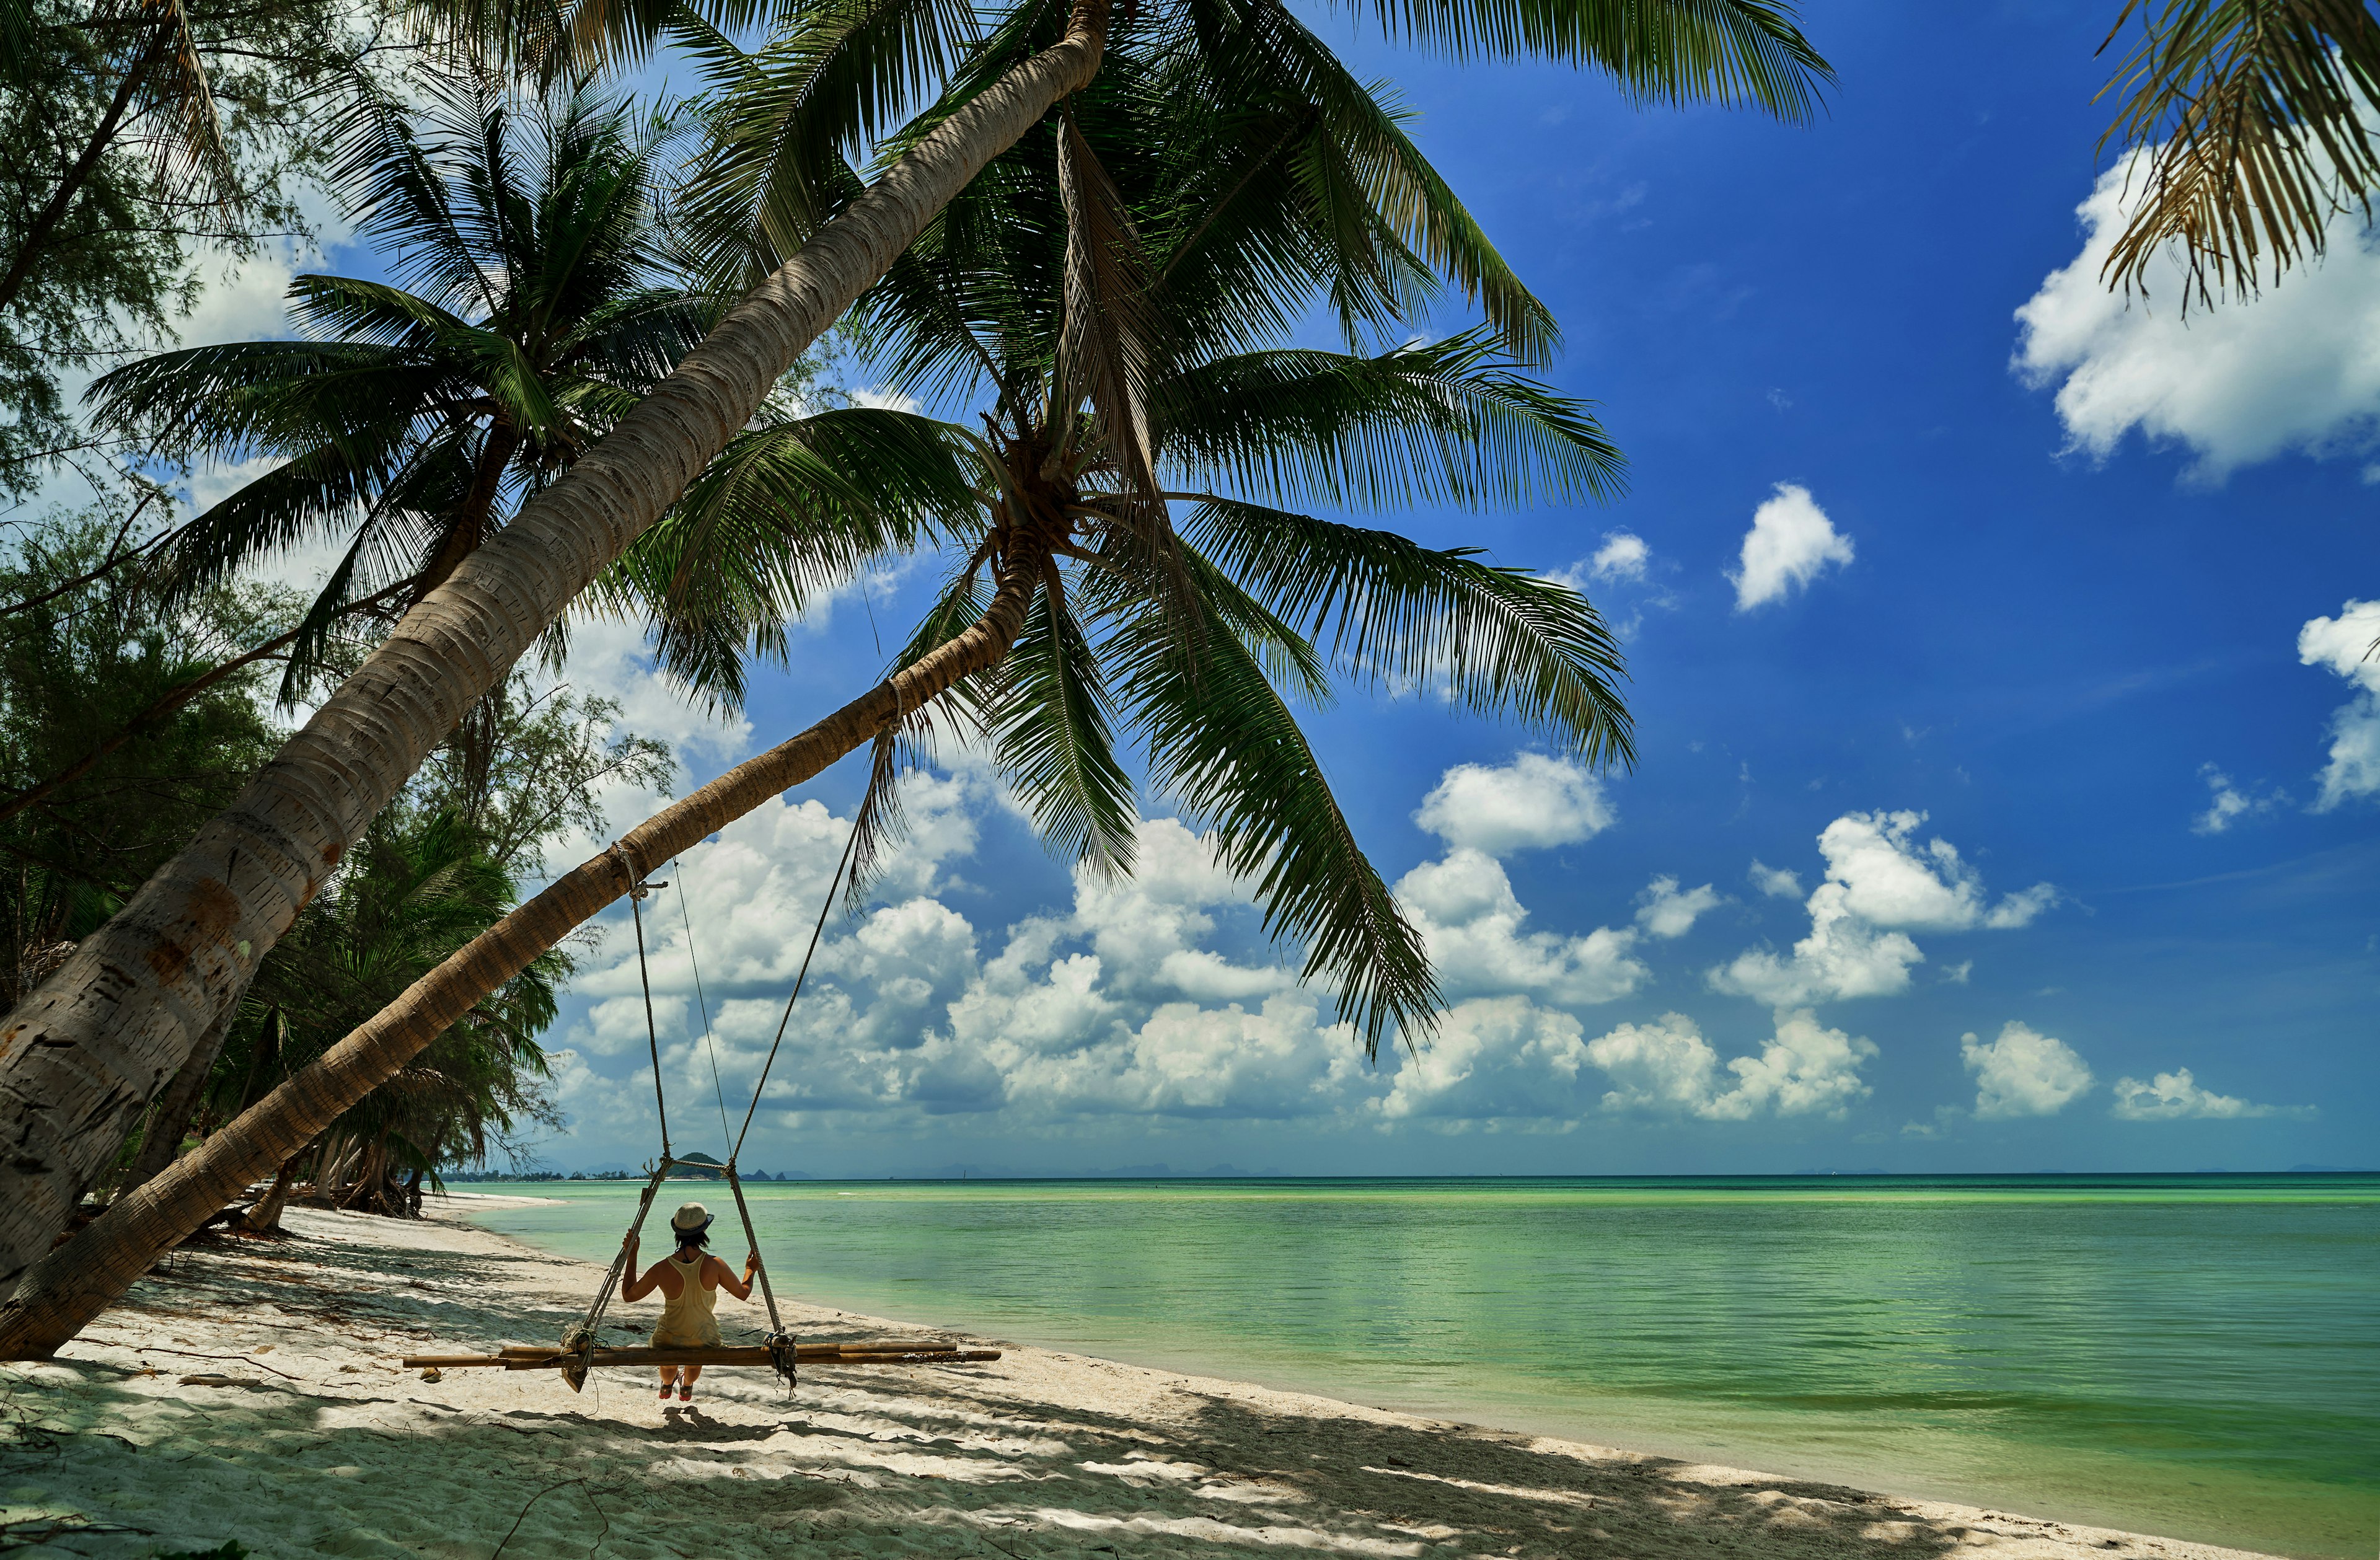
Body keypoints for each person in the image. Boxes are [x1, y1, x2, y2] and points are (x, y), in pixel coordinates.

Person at [622, 1202, 760, 1403]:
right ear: (704, 1232)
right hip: (703, 1337)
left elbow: (629, 1295)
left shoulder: (662, 1268)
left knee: (668, 1364)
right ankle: (686, 1385)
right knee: (695, 1362)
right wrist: (750, 1269)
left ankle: (668, 1384)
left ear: (677, 1233)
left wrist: (632, 1254)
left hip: (669, 1338)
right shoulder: (716, 1265)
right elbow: (743, 1292)